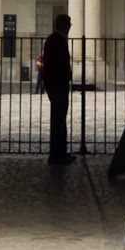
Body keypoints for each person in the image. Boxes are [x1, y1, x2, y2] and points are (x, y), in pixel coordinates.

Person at [40, 11, 74, 165]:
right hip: (58, 83)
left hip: (54, 83)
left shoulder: (52, 39)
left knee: (59, 119)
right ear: (65, 26)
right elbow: (58, 63)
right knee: (59, 119)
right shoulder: (58, 40)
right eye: (69, 24)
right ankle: (58, 154)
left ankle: (59, 152)